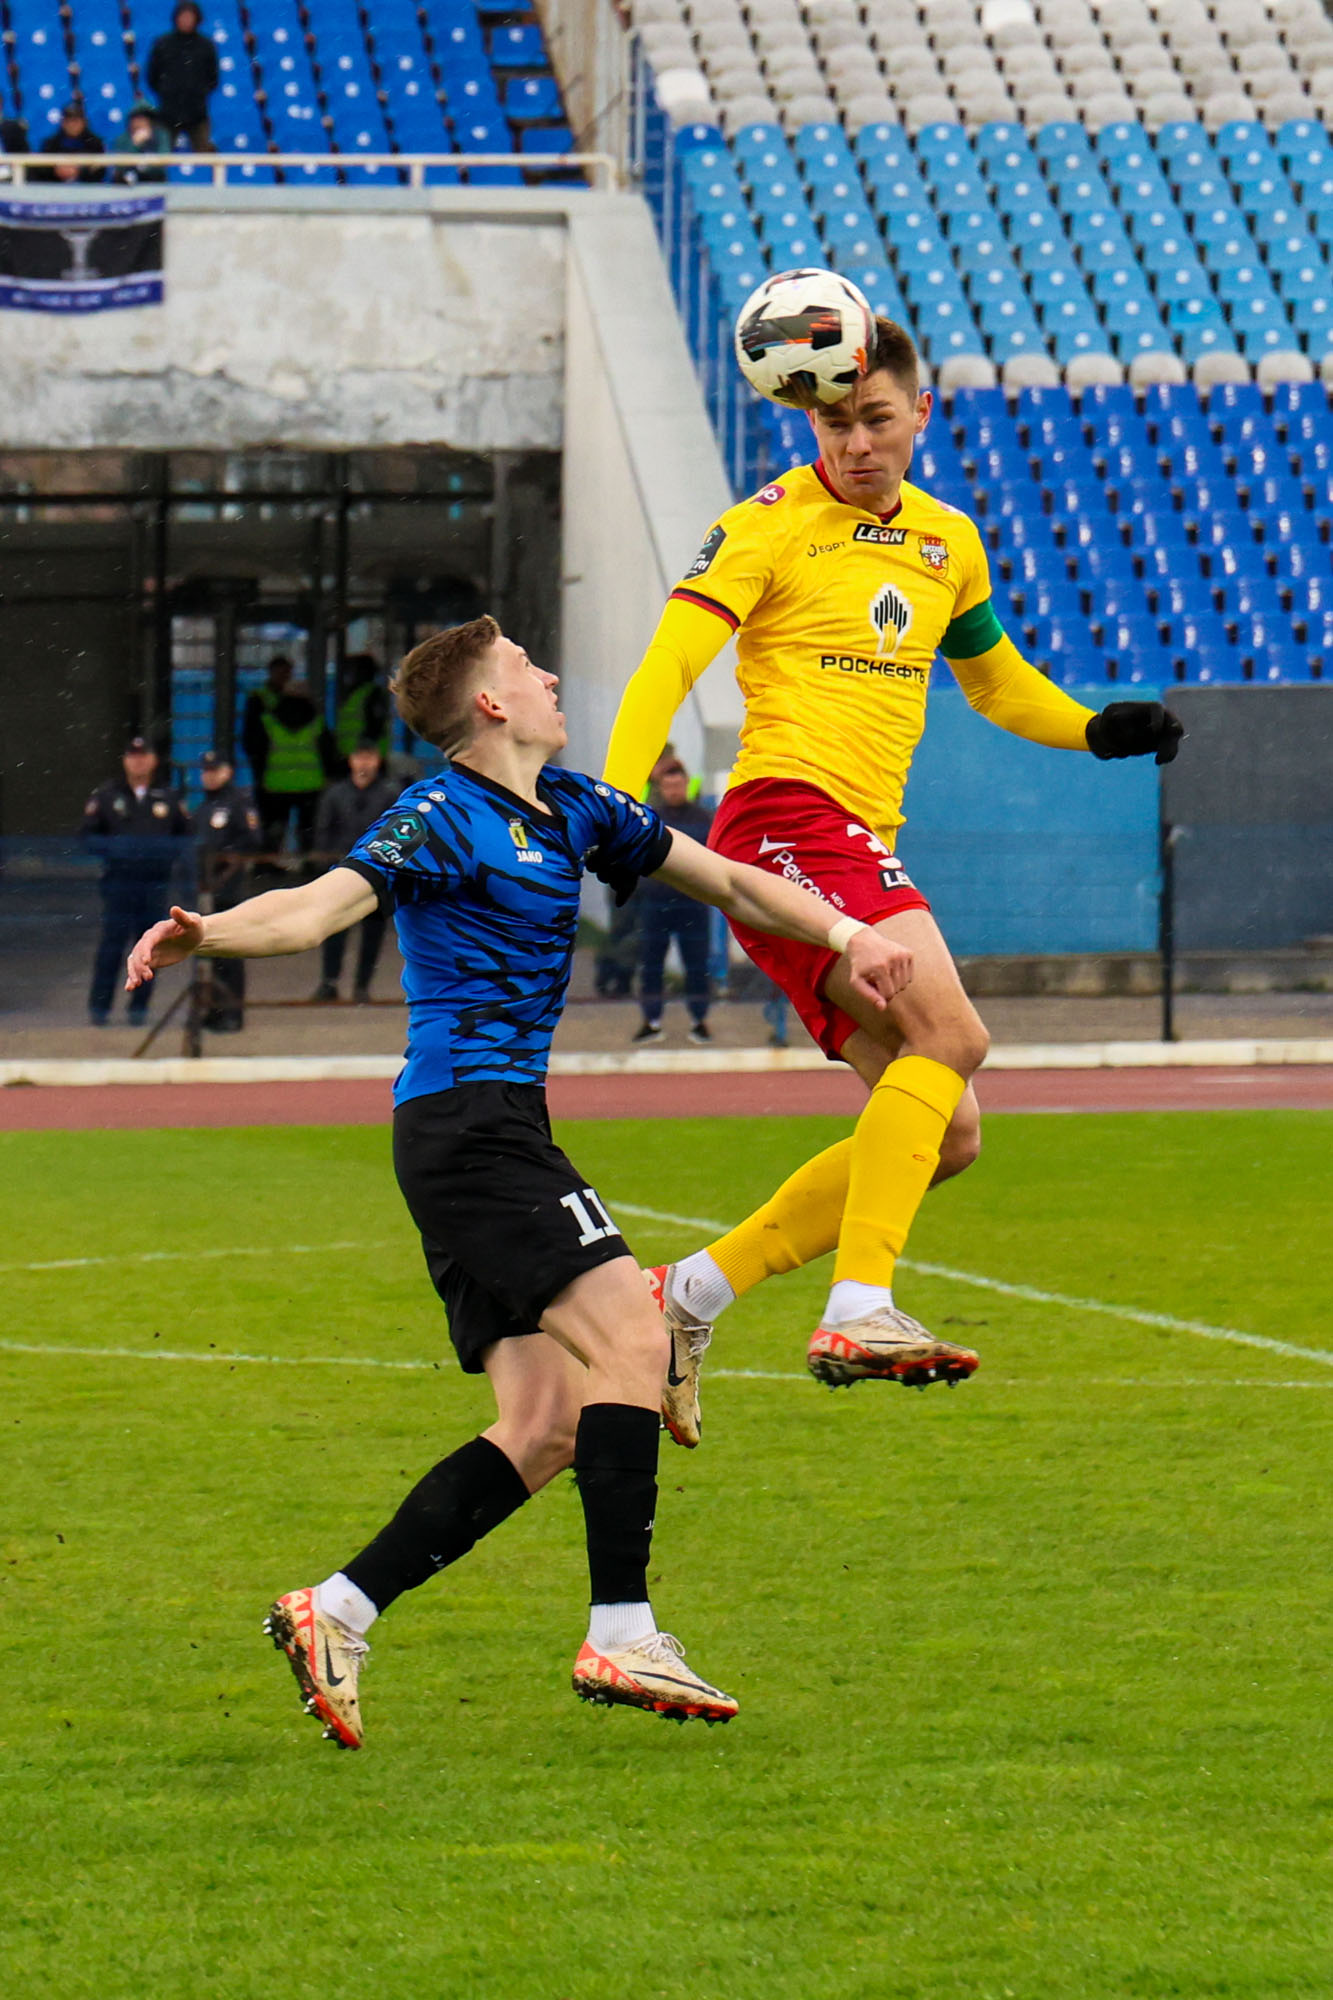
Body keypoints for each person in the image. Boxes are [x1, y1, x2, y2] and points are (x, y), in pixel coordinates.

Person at [125, 615, 913, 1748]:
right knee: (634, 1336)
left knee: (546, 1423)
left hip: (483, 1129)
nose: (550, 675)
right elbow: (319, 904)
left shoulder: (580, 805)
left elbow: (734, 883)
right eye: (527, 668)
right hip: (470, 1129)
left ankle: (335, 1610)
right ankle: (622, 1630)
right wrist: (210, 933)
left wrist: (844, 933)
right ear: (490, 704)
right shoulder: (438, 815)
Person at [603, 314, 1183, 1440]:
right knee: (953, 1033)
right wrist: (619, 802)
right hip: (787, 816)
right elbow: (668, 662)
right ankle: (857, 1307)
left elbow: (995, 681)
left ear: (921, 412)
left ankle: (685, 1295)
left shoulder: (947, 540)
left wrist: (1092, 728)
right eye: (833, 422)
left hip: (853, 841)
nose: (855, 442)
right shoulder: (763, 525)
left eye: (875, 418)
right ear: (806, 416)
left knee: (948, 1132)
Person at [82, 736, 190, 1027]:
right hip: (118, 884)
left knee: (149, 947)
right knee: (111, 947)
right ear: (125, 760)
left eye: (144, 756)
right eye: (133, 756)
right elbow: (88, 837)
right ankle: (100, 1008)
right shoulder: (107, 795)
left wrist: (163, 856)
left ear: (153, 760)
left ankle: (138, 1009)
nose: (138, 762)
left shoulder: (168, 796)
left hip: (155, 885)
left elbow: (186, 837)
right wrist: (117, 850)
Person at [632, 756, 715, 1045]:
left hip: (693, 903)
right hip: (656, 904)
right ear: (661, 788)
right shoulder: (650, 819)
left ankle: (699, 1021)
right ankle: (651, 1021)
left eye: (678, 785)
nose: (674, 791)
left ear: (686, 785)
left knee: (697, 964)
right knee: (651, 964)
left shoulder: (703, 819)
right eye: (668, 786)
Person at [311, 740, 398, 1002]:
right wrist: (325, 867)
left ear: (377, 761)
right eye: (359, 757)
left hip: (377, 873)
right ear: (351, 760)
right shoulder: (335, 794)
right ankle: (329, 982)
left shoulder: (390, 794)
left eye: (369, 757)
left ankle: (362, 986)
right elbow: (323, 831)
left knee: (373, 933)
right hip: (341, 872)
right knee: (334, 929)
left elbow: (396, 833)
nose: (364, 764)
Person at [194, 749, 260, 1031]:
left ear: (227, 771)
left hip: (229, 889)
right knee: (210, 953)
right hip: (205, 891)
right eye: (205, 771)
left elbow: (252, 840)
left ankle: (233, 1012)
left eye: (214, 770)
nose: (209, 776)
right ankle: (214, 1010)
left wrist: (224, 859)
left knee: (230, 952)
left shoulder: (238, 803)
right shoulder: (203, 807)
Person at [252, 675, 334, 860]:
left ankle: (271, 865)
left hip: (276, 784)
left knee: (274, 831)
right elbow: (328, 752)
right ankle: (308, 863)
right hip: (310, 785)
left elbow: (257, 751)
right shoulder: (316, 721)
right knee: (308, 830)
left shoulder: (269, 721)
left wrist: (261, 777)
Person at [147, 2, 219, 151]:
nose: (186, 21)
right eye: (183, 17)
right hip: (168, 113)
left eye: (189, 17)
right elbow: (152, 76)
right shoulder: (163, 44)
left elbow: (213, 77)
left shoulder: (206, 46)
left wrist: (199, 92)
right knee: (162, 154)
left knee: (204, 154)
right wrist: (167, 91)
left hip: (198, 113)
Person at [334, 654, 391, 769]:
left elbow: (375, 727)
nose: (348, 676)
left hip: (367, 759)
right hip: (351, 758)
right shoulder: (355, 695)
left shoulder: (372, 694)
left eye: (352, 670)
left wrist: (365, 754)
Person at [33, 102, 106, 184]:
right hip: (56, 189)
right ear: (63, 123)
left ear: (84, 122)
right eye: (68, 121)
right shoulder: (51, 144)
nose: (72, 125)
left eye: (76, 121)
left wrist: (80, 171)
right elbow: (41, 169)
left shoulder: (95, 143)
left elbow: (100, 170)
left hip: (87, 188)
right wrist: (55, 171)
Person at [111, 99, 171, 184]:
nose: (141, 123)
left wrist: (143, 166)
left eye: (145, 119)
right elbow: (119, 168)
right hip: (127, 186)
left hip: (155, 183)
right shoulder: (122, 139)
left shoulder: (160, 135)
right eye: (137, 118)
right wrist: (135, 144)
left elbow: (163, 163)